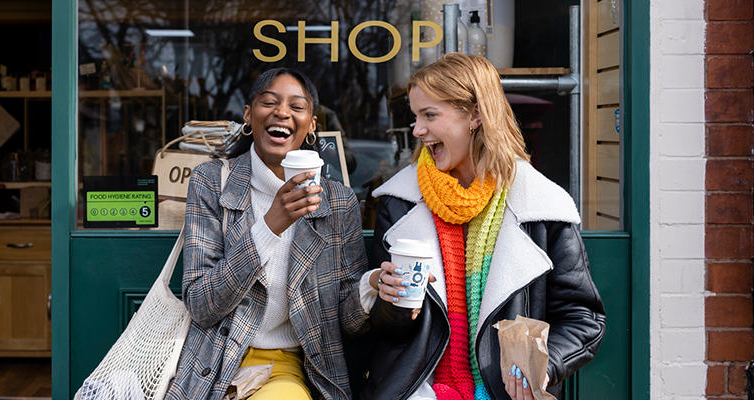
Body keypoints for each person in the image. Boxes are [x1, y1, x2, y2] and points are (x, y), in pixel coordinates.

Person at [359, 53, 606, 400]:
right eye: (416, 117)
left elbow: (583, 319)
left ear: (475, 115)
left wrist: (542, 367)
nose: (417, 130)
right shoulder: (399, 201)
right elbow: (388, 331)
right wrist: (392, 303)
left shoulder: (541, 206)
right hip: (416, 390)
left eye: (430, 115)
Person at [164, 68, 376, 400]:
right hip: (213, 361)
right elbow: (202, 305)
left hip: (287, 368)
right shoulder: (211, 182)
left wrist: (373, 284)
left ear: (312, 126)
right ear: (249, 115)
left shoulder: (338, 202)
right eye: (269, 102)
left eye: (297, 106)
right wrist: (270, 225)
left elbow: (347, 322)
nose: (281, 113)